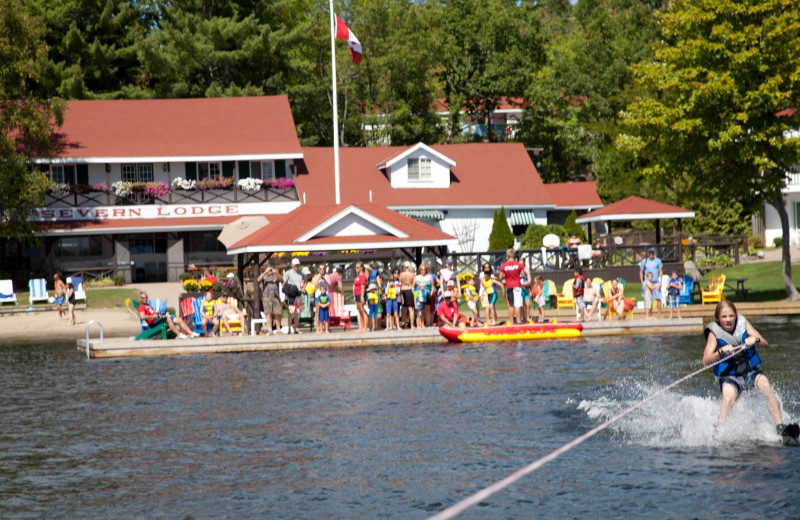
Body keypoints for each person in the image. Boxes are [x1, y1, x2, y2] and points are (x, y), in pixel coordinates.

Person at [702, 301, 788, 434]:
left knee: (766, 387)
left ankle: (780, 427)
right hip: (730, 377)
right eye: (724, 317)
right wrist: (721, 351)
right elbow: (706, 361)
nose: (728, 319)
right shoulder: (714, 334)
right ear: (718, 319)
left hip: (751, 372)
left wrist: (755, 340)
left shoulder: (743, 323)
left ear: (736, 316)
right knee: (728, 398)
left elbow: (765, 344)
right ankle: (718, 432)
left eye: (731, 316)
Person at [499, 248, 527, 324]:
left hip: (509, 286)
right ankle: (518, 320)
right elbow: (523, 275)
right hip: (517, 285)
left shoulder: (504, 265)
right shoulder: (519, 265)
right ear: (514, 255)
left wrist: (506, 278)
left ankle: (511, 321)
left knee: (511, 305)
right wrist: (518, 277)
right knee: (517, 304)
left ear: (507, 255)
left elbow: (500, 277)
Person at [257, 264, 283, 334]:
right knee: (268, 313)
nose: (270, 271)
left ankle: (278, 329)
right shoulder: (265, 276)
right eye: (269, 270)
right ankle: (270, 329)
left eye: (271, 269)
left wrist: (277, 272)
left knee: (277, 313)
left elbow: (282, 280)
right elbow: (258, 280)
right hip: (266, 297)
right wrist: (265, 272)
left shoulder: (276, 276)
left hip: (276, 297)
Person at [640, 247, 663, 319]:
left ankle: (659, 314)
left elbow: (660, 271)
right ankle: (647, 315)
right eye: (649, 253)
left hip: (655, 281)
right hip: (647, 282)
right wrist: (642, 282)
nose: (651, 254)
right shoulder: (645, 261)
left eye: (652, 253)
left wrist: (660, 281)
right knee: (647, 298)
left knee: (658, 298)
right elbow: (641, 271)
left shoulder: (658, 260)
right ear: (647, 253)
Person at [283, 258, 305, 334]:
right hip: (291, 295)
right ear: (292, 265)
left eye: (298, 265)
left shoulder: (301, 273)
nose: (297, 266)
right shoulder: (288, 273)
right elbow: (284, 282)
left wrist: (302, 288)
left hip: (298, 294)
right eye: (295, 265)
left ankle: (296, 328)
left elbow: (302, 282)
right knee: (291, 312)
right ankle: (289, 328)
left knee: (297, 313)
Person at [399, 262, 416, 329]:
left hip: (403, 289)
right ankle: (412, 325)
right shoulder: (412, 274)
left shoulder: (401, 274)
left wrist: (400, 294)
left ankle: (405, 325)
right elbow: (413, 285)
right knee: (411, 309)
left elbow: (399, 284)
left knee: (404, 309)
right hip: (410, 290)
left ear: (404, 267)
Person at [353, 262, 368, 332]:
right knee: (359, 311)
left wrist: (362, 296)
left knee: (362, 310)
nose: (356, 269)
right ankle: (361, 327)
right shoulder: (357, 277)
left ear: (362, 268)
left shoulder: (362, 276)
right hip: (356, 295)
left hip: (360, 294)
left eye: (358, 267)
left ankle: (365, 327)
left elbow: (363, 287)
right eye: (356, 267)